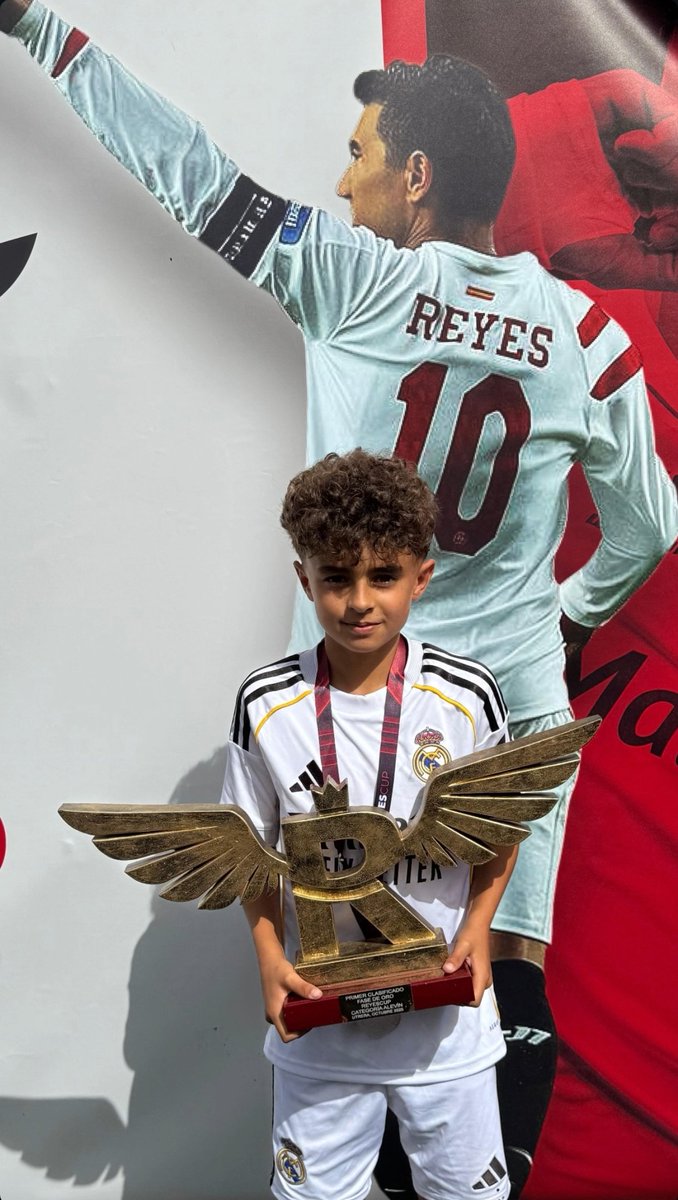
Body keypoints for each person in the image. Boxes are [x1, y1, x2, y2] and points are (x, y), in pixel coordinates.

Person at [1, 2, 676, 1191]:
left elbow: (186, 168)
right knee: (507, 971)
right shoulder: (583, 333)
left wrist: (48, 33)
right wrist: (563, 621)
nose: (342, 173)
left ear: (416, 177)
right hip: (510, 711)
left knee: (353, 1003)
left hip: (366, 712)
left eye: (359, 152)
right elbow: (654, 524)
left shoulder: (348, 279)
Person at [224, 447, 514, 1200]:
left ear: (421, 576)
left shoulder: (466, 696)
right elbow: (249, 856)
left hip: (446, 1030)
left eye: (383, 576)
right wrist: (267, 958)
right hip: (321, 1033)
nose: (359, 601)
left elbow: (503, 829)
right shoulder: (264, 702)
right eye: (335, 578)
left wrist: (478, 928)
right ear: (304, 579)